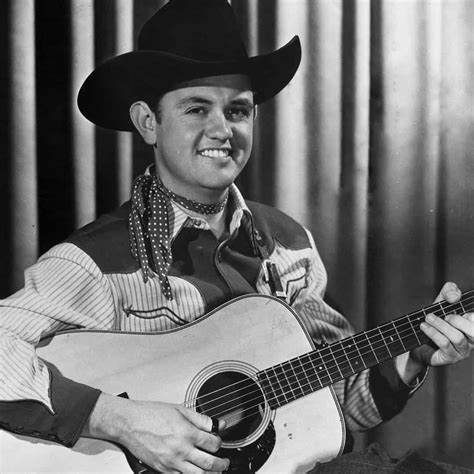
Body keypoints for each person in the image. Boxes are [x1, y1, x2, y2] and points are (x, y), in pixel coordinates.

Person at [0, 0, 472, 472]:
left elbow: (335, 403)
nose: (222, 130)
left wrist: (410, 358)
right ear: (149, 122)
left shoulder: (290, 245)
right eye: (196, 108)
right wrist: (121, 420)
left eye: (239, 110)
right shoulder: (93, 260)